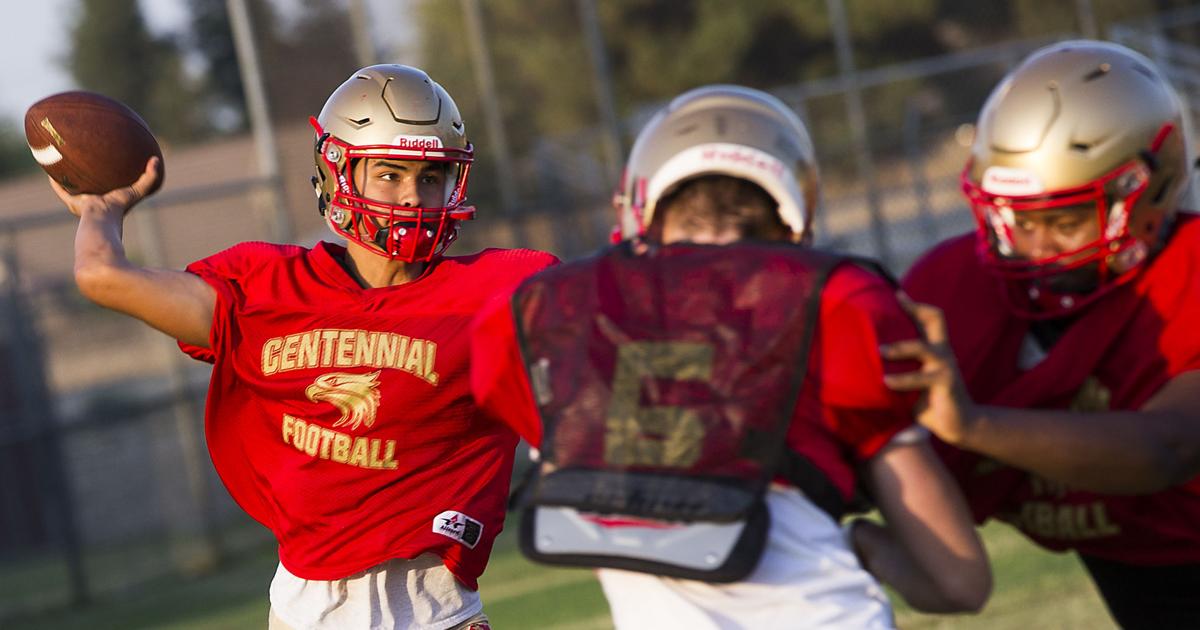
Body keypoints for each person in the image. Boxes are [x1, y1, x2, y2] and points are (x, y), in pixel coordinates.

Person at [53, 64, 557, 630]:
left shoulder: (498, 290)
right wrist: (101, 212)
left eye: (431, 177)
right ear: (336, 173)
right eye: (390, 174)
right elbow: (101, 276)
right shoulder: (265, 287)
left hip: (436, 614)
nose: (414, 197)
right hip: (304, 614)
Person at [470, 85, 990, 628]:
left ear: (642, 205)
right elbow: (958, 580)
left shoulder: (540, 313)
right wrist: (862, 541)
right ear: (792, 214)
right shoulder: (837, 304)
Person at [883, 40, 1200, 629]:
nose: (1033, 246)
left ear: (1145, 189)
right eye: (1017, 219)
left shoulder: (1190, 273)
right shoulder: (952, 291)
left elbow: (1170, 447)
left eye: (1063, 220)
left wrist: (974, 424)